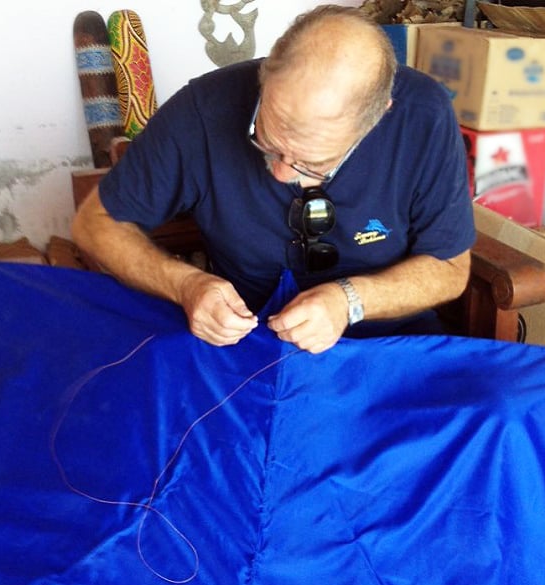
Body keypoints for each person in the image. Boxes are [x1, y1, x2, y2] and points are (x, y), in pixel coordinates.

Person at [72, 5, 475, 354]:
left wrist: (349, 301)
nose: (282, 172)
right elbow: (95, 224)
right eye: (267, 142)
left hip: (385, 342)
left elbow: (450, 266)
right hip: (244, 341)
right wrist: (187, 284)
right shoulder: (203, 110)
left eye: (313, 163)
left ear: (377, 118)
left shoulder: (423, 117)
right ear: (266, 77)